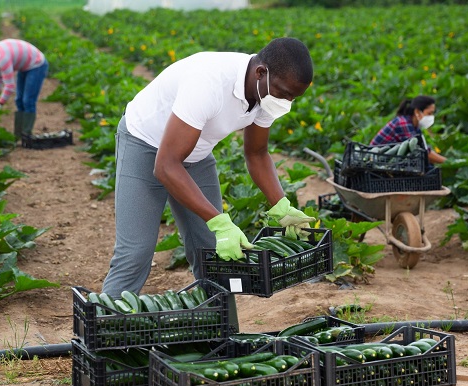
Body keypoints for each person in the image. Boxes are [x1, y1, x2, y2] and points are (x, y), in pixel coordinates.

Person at [102, 37, 315, 297]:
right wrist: (219, 220)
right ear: (261, 73)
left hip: (196, 153)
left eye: (293, 97)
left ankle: (220, 329)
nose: (287, 102)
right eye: (284, 94)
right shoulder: (209, 83)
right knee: (135, 252)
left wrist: (281, 206)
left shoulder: (268, 92)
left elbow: (257, 153)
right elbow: (166, 166)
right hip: (145, 145)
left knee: (213, 249)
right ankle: (103, 329)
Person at [0, 39, 48, 141]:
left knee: (28, 100)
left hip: (36, 64)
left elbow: (9, 86)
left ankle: (27, 135)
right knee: (19, 100)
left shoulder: (2, 59)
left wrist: (0, 104)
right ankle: (19, 135)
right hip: (24, 66)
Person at [370, 95, 446, 164]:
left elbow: (425, 149)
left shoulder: (415, 127)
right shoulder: (402, 123)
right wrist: (448, 162)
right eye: (429, 113)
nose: (431, 117)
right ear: (417, 112)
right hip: (374, 161)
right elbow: (423, 152)